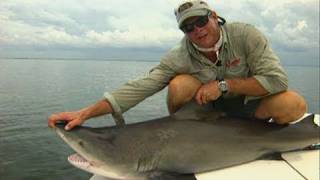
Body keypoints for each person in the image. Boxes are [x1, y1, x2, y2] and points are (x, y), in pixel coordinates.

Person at [48, 0, 307, 130]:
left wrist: (224, 85)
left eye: (201, 21)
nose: (197, 30)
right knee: (179, 84)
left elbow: (277, 80)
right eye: (188, 27)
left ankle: (254, 139)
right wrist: (85, 113)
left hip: (251, 109)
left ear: (214, 16)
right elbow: (139, 87)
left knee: (294, 103)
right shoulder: (178, 55)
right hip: (207, 113)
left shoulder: (247, 35)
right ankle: (183, 135)